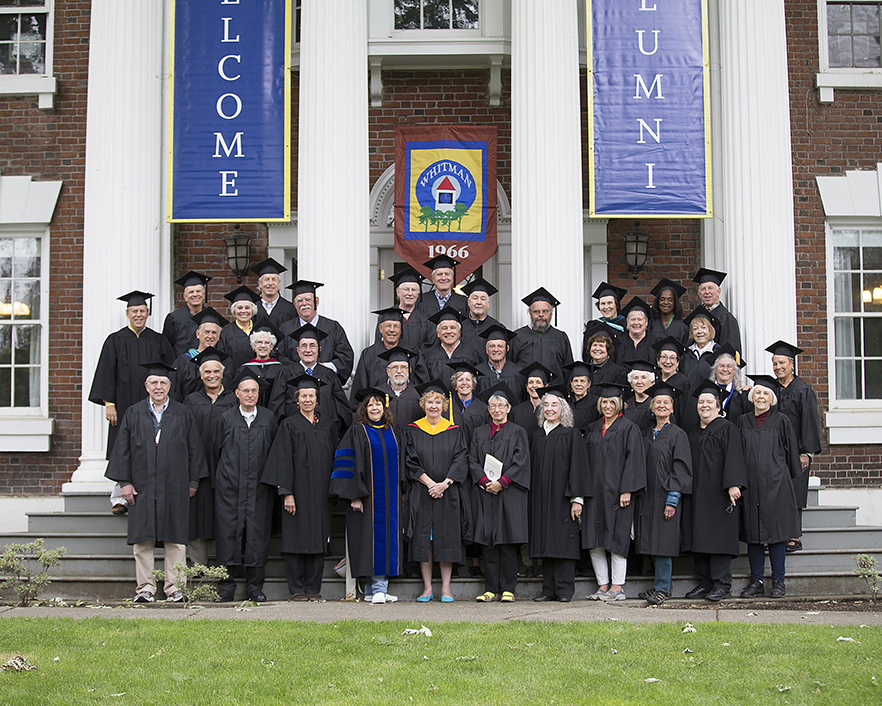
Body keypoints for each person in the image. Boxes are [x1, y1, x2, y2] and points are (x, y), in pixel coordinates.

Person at [104, 362, 207, 603]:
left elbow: (194, 448)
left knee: (176, 538)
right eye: (154, 383)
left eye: (163, 383)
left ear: (170, 386)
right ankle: (145, 588)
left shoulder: (182, 413)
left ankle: (175, 588)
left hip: (175, 484)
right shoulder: (133, 412)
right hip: (142, 485)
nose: (158, 387)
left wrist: (193, 481)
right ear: (146, 386)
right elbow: (123, 450)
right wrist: (124, 482)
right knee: (143, 539)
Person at [89, 291, 174, 513]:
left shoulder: (158, 339)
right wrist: (109, 404)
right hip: (124, 405)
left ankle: (148, 494)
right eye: (135, 311)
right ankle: (119, 498)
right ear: (127, 313)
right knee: (122, 447)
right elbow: (106, 372)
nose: (139, 315)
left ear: (148, 313)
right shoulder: (115, 340)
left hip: (153, 406)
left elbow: (170, 373)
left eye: (142, 311)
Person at [262, 374, 340, 601]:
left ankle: (314, 588)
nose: (307, 400)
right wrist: (286, 492)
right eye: (303, 396)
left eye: (311, 396)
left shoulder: (328, 425)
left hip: (322, 494)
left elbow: (336, 457)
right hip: (297, 493)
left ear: (317, 400)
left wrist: (334, 489)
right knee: (296, 540)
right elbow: (282, 460)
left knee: (318, 541)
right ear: (297, 400)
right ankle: (296, 588)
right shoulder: (289, 425)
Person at [329, 388, 406, 605]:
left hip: (390, 498)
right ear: (364, 409)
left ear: (384, 407)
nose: (374, 408)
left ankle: (374, 590)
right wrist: (353, 496)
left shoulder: (395, 431)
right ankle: (378, 588)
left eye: (378, 404)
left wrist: (402, 490)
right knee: (371, 541)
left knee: (387, 539)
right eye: (370, 405)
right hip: (366, 498)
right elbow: (346, 465)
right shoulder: (356, 432)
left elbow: (401, 463)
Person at [213, 369, 280, 603]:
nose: (250, 395)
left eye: (254, 391)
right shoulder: (225, 418)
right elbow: (216, 452)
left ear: (258, 394)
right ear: (237, 394)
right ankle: (226, 587)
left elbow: (274, 454)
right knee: (227, 535)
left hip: (260, 489)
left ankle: (254, 587)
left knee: (257, 537)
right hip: (229, 488)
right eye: (246, 391)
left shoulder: (268, 418)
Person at [736, 375, 802, 599]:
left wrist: (787, 483)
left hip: (777, 486)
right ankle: (756, 581)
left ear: (771, 398)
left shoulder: (782, 420)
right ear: (752, 397)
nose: (761, 397)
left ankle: (779, 582)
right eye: (757, 393)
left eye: (765, 394)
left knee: (776, 535)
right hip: (751, 486)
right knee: (754, 535)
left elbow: (792, 454)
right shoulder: (743, 421)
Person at [404, 380, 470, 603]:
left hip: (447, 493)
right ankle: (426, 588)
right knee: (425, 539)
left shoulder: (454, 431)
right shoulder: (412, 430)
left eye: (438, 402)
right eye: (430, 402)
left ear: (444, 406)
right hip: (421, 492)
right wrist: (430, 483)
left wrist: (444, 484)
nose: (434, 406)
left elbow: (461, 459)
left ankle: (446, 588)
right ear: (423, 405)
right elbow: (410, 461)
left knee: (446, 538)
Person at [681, 380, 746, 602]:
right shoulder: (693, 432)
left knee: (718, 540)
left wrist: (733, 484)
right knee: (699, 538)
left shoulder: (727, 429)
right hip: (697, 494)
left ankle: (722, 584)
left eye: (709, 402)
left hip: (719, 494)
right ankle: (704, 582)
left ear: (719, 407)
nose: (704, 405)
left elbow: (735, 458)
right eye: (701, 402)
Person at [583, 382, 646, 601]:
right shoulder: (592, 428)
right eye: (604, 402)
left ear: (619, 404)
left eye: (612, 402)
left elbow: (635, 460)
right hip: (594, 493)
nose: (608, 406)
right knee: (594, 539)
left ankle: (617, 586)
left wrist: (627, 489)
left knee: (617, 538)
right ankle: (602, 585)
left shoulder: (629, 428)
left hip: (617, 494)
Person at [468, 383, 530, 602]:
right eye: (492, 406)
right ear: (488, 409)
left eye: (500, 406)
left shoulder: (518, 432)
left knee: (507, 542)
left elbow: (521, 461)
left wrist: (502, 482)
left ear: (508, 408)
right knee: (489, 542)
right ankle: (490, 589)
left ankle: (508, 590)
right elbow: (472, 460)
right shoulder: (479, 433)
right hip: (485, 494)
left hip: (509, 493)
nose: (496, 409)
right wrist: (485, 481)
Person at [528, 385, 591, 602]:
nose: (549, 409)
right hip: (540, 499)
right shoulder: (535, 436)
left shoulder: (571, 435)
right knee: (545, 542)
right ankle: (548, 590)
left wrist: (577, 499)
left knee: (563, 543)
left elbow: (579, 469)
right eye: (546, 405)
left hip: (563, 499)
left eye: (554, 405)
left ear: (563, 409)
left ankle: (564, 590)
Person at [635, 381, 693, 605]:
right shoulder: (646, 433)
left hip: (666, 497)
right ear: (652, 406)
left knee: (663, 543)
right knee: (651, 541)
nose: (661, 405)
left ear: (672, 408)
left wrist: (672, 499)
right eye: (657, 402)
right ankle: (660, 586)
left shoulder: (678, 434)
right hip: (648, 496)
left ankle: (663, 587)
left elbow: (681, 468)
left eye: (666, 402)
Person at [766, 340, 822, 553]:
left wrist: (806, 452)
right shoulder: (772, 389)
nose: (777, 367)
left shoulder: (802, 390)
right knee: (777, 492)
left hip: (797, 451)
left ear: (791, 364)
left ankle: (793, 535)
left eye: (781, 363)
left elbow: (809, 423)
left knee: (795, 492)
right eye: (774, 364)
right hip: (775, 451)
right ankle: (777, 533)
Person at [183, 346, 237, 567]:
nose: (212, 376)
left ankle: (227, 567)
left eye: (216, 371)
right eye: (207, 372)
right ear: (200, 374)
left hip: (228, 468)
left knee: (227, 516)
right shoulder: (190, 401)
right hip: (199, 468)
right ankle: (198, 567)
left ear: (223, 373)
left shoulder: (234, 399)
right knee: (197, 518)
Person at [268, 323, 352, 432]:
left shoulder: (329, 374)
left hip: (324, 433)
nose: (308, 350)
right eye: (304, 346)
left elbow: (342, 407)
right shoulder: (286, 373)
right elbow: (276, 407)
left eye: (312, 345)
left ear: (319, 349)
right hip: (294, 433)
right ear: (298, 350)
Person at [279, 279, 354, 383]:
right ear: (295, 304)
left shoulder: (333, 327)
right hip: (294, 387)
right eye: (300, 300)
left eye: (308, 299)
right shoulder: (285, 328)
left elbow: (346, 356)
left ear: (316, 301)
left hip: (327, 385)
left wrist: (324, 368)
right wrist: (298, 368)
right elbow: (279, 356)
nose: (304, 303)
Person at [353, 307, 427, 392]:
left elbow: (422, 386)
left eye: (396, 326)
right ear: (381, 328)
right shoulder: (369, 354)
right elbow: (360, 387)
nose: (392, 330)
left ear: (401, 329)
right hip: (377, 403)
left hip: (407, 404)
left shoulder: (413, 353)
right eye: (388, 326)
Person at [510, 287, 574, 379]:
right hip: (525, 391)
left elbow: (568, 369)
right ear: (530, 313)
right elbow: (511, 367)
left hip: (554, 391)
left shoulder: (560, 337)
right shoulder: (518, 337)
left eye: (545, 311)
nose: (541, 315)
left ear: (551, 313)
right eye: (536, 311)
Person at [170, 307, 229, 403]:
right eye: (206, 332)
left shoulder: (226, 362)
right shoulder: (183, 361)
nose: (210, 336)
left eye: (214, 333)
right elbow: (174, 392)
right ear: (198, 334)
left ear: (218, 337)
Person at [381, 266, 435, 352]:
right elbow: (380, 346)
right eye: (406, 289)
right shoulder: (386, 317)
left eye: (413, 290)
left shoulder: (427, 318)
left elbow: (430, 346)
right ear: (398, 292)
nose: (410, 293)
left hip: (420, 363)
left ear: (418, 294)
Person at [422, 306, 483, 381]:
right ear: (438, 333)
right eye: (444, 328)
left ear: (459, 332)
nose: (449, 331)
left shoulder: (472, 355)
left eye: (453, 327)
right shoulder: (429, 357)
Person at [693, 268, 742, 354]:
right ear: (699, 294)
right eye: (703, 289)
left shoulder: (726, 319)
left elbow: (730, 352)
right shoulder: (696, 316)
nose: (707, 292)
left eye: (710, 288)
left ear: (718, 291)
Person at [162, 271, 211, 356]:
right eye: (191, 292)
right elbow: (166, 347)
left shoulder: (210, 316)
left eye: (198, 291)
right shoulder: (174, 318)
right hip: (181, 366)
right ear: (185, 297)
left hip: (206, 366)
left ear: (203, 295)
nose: (195, 294)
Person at [239, 320, 286, 408]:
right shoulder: (245, 369)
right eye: (259, 342)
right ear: (253, 346)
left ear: (272, 347)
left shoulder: (280, 369)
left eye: (267, 343)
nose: (263, 346)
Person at [475, 324, 525, 405]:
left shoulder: (518, 373)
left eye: (500, 346)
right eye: (492, 346)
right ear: (486, 349)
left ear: (507, 348)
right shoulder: (477, 373)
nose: (496, 350)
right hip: (484, 416)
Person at [217, 285, 262, 372]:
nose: (243, 311)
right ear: (234, 310)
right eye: (239, 308)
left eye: (247, 308)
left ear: (253, 310)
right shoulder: (227, 332)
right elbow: (224, 359)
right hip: (233, 377)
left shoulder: (260, 329)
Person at [377, 346, 423, 428]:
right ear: (388, 371)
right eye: (394, 367)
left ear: (409, 370)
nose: (399, 371)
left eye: (403, 367)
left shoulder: (419, 395)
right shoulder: (376, 394)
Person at [448, 361, 489, 446]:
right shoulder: (447, 407)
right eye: (460, 380)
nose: (464, 383)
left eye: (468, 379)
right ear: (455, 385)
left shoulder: (483, 409)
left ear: (473, 384)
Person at [707, 344, 748, 426]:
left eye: (729, 366)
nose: (725, 370)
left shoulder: (742, 394)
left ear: (734, 370)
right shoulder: (707, 392)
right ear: (715, 369)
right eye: (721, 366)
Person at [460, 277, 503, 354]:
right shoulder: (459, 326)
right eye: (475, 298)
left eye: (483, 299)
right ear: (469, 302)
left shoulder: (497, 327)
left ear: (488, 304)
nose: (479, 302)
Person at [509, 361, 554, 433]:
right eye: (531, 382)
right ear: (526, 387)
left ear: (545, 386)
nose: (534, 386)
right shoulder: (516, 411)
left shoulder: (550, 411)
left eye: (538, 382)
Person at [583, 282, 628, 355]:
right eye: (603, 304)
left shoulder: (626, 325)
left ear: (616, 305)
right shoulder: (593, 325)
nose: (606, 307)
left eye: (609, 303)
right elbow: (587, 352)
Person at [681, 307, 721, 387]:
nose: (699, 331)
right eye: (695, 329)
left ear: (710, 330)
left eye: (703, 327)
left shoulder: (718, 353)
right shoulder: (686, 354)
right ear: (692, 333)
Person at [251, 257, 297, 327]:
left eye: (274, 279)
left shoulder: (290, 308)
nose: (270, 283)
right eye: (266, 279)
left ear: (279, 283)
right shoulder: (252, 307)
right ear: (260, 283)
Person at [583, 321, 628, 386]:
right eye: (595, 345)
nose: (597, 349)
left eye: (601, 345)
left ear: (608, 349)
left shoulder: (619, 372)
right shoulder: (584, 370)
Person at [615, 296, 657, 364]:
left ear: (646, 323)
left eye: (640, 319)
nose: (636, 323)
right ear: (627, 323)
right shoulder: (618, 343)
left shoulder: (654, 343)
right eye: (633, 319)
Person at [648, 278, 689, 346]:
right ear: (658, 301)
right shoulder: (651, 323)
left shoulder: (682, 326)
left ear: (674, 302)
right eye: (662, 299)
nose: (666, 302)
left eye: (670, 299)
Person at [564, 360, 598, 435]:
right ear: (571, 383)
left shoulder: (596, 403)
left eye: (582, 381)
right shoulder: (566, 403)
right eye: (576, 381)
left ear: (589, 384)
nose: (578, 384)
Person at [623, 359, 656, 433]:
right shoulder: (625, 405)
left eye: (643, 378)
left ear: (652, 382)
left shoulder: (655, 405)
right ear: (631, 383)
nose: (639, 382)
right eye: (635, 378)